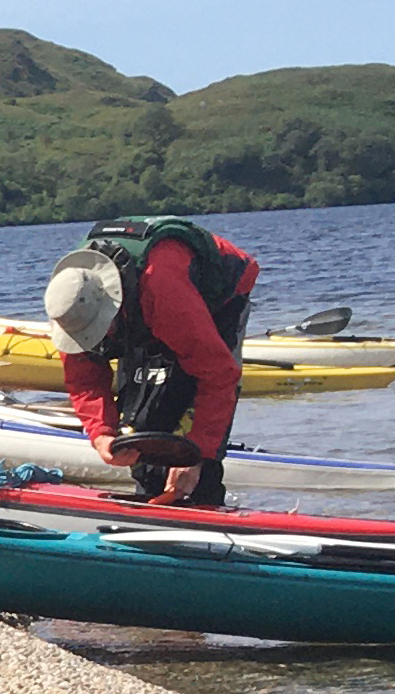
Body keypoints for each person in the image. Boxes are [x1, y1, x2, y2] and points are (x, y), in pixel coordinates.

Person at [42, 213, 262, 507]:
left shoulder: (163, 295)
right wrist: (102, 434)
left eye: (98, 331)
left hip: (218, 296)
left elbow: (219, 375)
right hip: (143, 304)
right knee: (139, 427)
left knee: (186, 431)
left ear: (111, 307)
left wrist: (196, 454)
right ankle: (151, 499)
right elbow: (84, 381)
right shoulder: (70, 306)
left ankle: (203, 504)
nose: (92, 339)